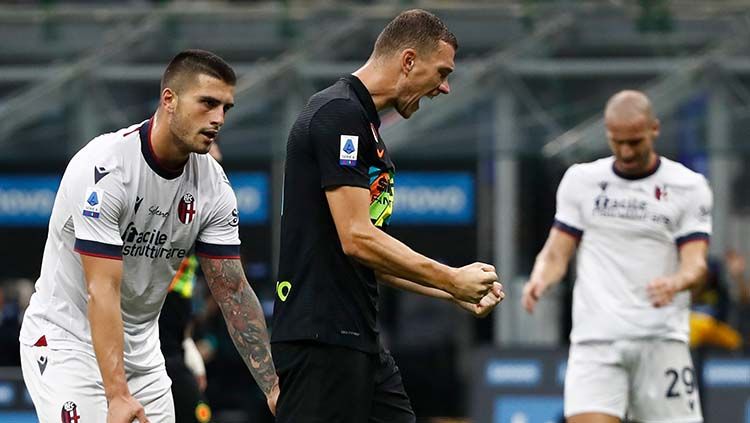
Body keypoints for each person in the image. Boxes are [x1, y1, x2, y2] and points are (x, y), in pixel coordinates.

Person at [19, 49, 278, 423]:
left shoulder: (214, 186)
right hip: (68, 342)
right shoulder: (105, 169)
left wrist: (273, 386)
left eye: (226, 108)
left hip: (143, 348)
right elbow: (102, 290)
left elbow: (232, 290)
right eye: (207, 103)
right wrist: (118, 395)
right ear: (168, 100)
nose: (219, 118)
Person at [271, 9, 504, 423]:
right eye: (442, 72)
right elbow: (357, 238)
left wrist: (454, 293)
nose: (446, 88)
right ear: (409, 60)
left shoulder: (364, 126)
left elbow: (370, 256)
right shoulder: (338, 114)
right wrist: (451, 277)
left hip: (357, 338)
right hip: (321, 340)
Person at [522, 90, 713, 423]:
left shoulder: (688, 186)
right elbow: (556, 252)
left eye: (635, 142)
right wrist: (540, 278)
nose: (625, 151)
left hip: (660, 339)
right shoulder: (582, 181)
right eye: (617, 141)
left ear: (655, 129)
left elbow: (696, 263)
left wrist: (677, 281)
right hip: (596, 339)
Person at [157, 142, 223, 423]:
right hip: (149, 339)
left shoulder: (205, 214)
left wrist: (186, 345)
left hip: (174, 337)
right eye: (210, 166)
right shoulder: (157, 205)